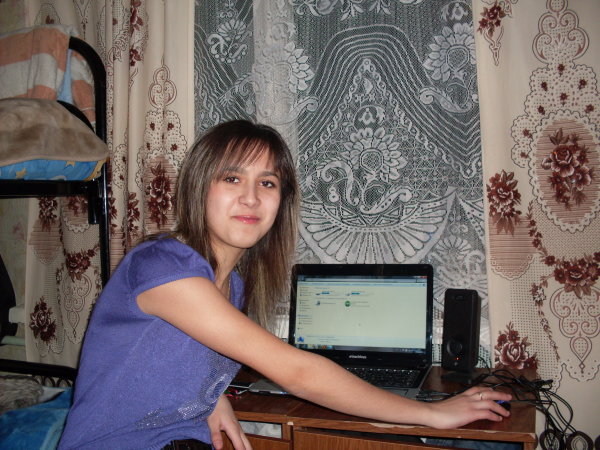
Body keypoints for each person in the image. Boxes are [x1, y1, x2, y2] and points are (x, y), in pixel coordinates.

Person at [58, 120, 511, 450]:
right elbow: (298, 373)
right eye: (232, 178)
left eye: (268, 183)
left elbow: (172, 362)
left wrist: (209, 399)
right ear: (199, 187)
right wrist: (431, 414)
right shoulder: (161, 265)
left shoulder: (233, 284)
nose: (251, 197)